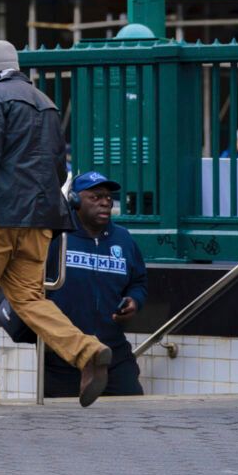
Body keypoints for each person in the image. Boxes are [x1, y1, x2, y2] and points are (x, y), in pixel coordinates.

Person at [0, 39, 112, 409]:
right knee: (29, 298)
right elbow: (59, 168)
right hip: (41, 221)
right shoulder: (45, 102)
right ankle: (87, 350)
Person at [43, 171, 148, 398]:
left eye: (109, 198)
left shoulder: (124, 239)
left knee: (134, 412)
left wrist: (134, 301)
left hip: (113, 355)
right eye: (96, 197)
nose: (105, 203)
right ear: (75, 201)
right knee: (60, 422)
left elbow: (138, 282)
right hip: (64, 357)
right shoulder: (55, 237)